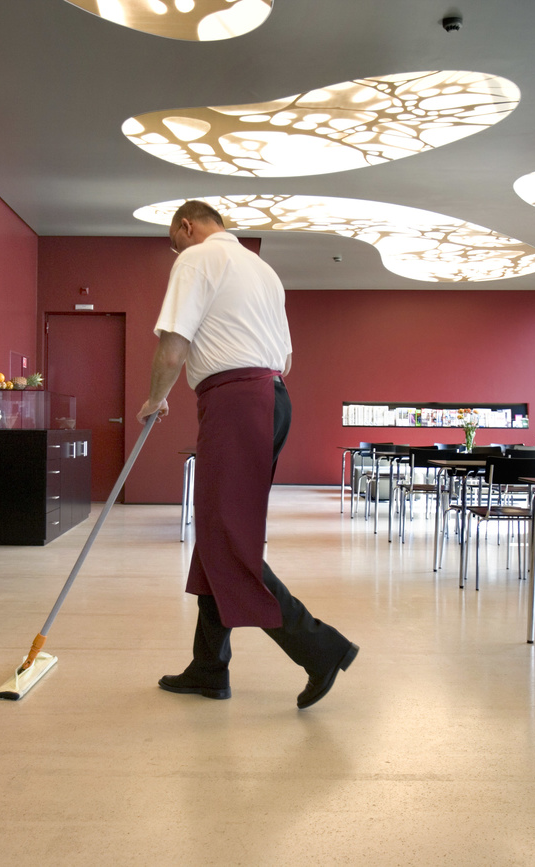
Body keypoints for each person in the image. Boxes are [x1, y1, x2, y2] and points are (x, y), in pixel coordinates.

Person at [136, 200, 358, 710]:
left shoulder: (195, 258)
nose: (175, 250)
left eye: (174, 240)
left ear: (186, 227)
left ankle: (320, 648)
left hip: (235, 400)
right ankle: (208, 667)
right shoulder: (264, 270)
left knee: (228, 540)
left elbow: (172, 347)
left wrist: (155, 399)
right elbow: (288, 358)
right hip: (271, 397)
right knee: (219, 533)